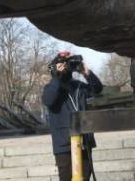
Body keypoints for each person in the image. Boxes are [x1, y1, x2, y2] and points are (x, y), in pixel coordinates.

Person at [42, 51, 103, 181]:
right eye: (63, 65)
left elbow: (97, 89)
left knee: (85, 178)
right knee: (66, 178)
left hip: (84, 141)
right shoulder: (51, 87)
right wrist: (57, 76)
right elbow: (48, 100)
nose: (66, 67)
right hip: (64, 144)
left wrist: (86, 72)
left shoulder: (79, 86)